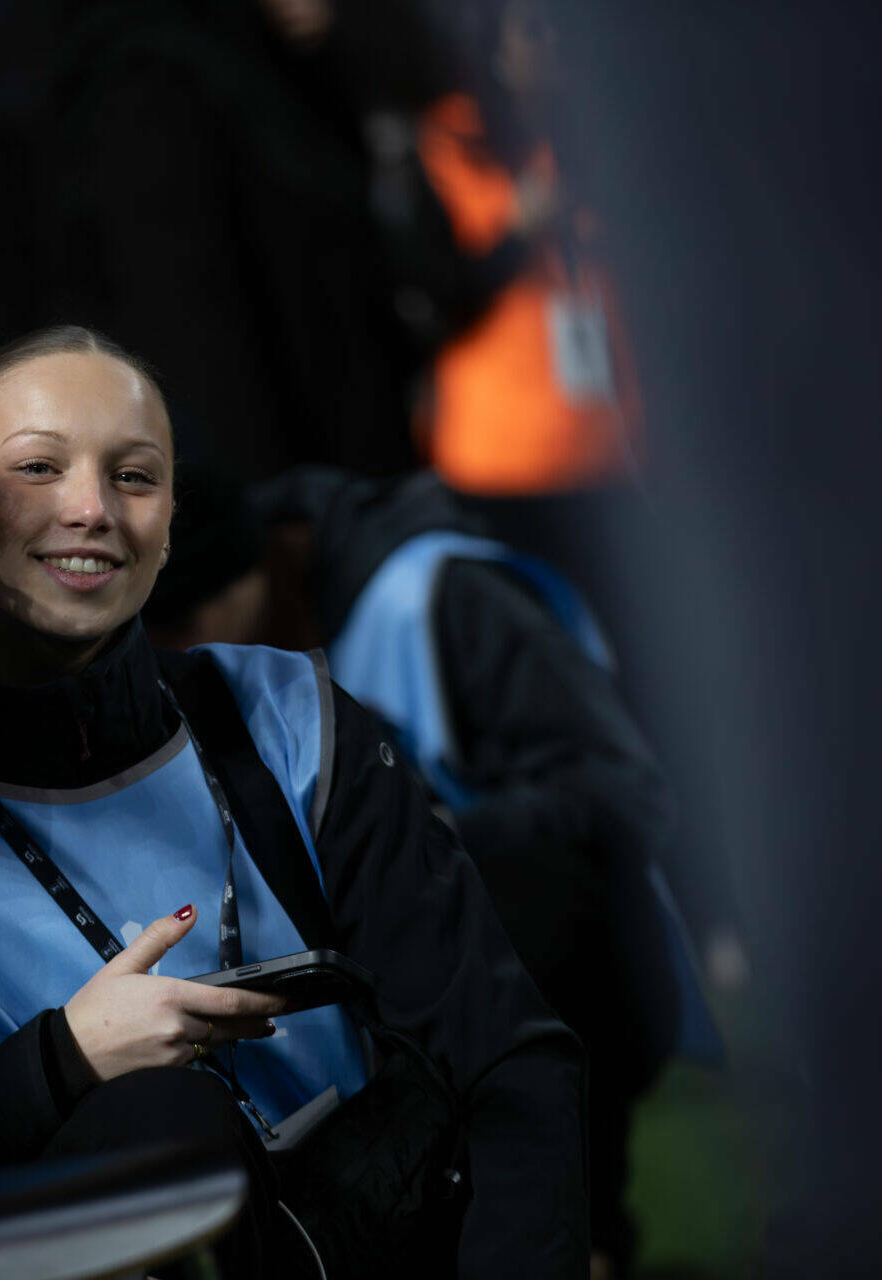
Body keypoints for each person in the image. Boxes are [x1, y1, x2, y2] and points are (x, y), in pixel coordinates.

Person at [0, 326, 587, 1276]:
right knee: (153, 1119)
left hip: (382, 1234)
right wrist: (63, 1061)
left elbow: (505, 1066)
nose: (90, 508)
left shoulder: (295, 719)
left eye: (133, 477)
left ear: (168, 526)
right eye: (38, 467)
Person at [145, 461, 703, 1278]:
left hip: (570, 982)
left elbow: (627, 795)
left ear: (251, 565)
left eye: (185, 619)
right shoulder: (247, 648)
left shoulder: (433, 592)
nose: (180, 653)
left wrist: (417, 828)